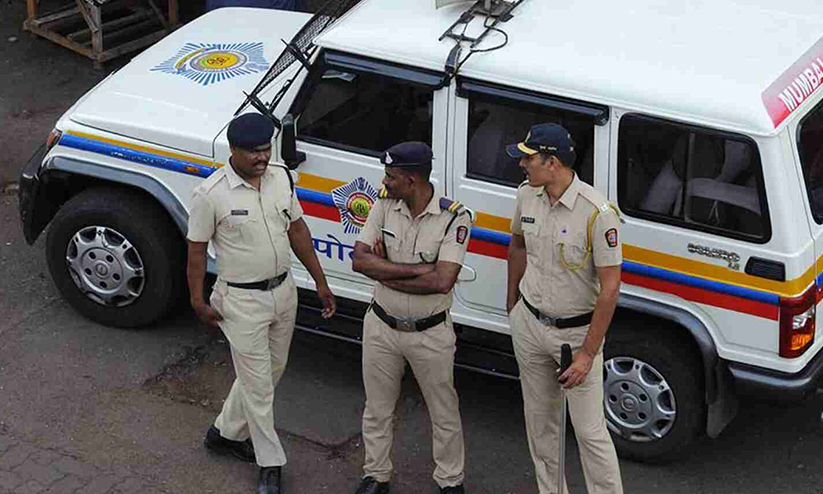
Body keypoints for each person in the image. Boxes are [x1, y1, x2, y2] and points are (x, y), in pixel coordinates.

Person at [186, 112, 336, 494]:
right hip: (241, 301)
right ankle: (270, 462)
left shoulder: (281, 177)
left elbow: (298, 230)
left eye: (266, 148)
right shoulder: (210, 194)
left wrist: (320, 281)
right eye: (253, 151)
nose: (262, 157)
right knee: (258, 387)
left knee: (271, 372)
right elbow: (196, 252)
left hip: (284, 293)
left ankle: (223, 434)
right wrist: (197, 300)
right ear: (233, 150)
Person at [505, 123, 623, 494]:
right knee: (541, 427)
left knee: (590, 433)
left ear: (552, 163)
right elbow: (518, 246)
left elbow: (610, 288)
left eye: (529, 158)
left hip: (576, 337)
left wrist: (588, 354)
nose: (522, 164)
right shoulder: (527, 195)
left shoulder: (597, 213)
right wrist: (512, 305)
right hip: (530, 323)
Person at [350, 142, 472, 494]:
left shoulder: (455, 217)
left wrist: (384, 270)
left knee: (443, 411)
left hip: (430, 333)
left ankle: (450, 481)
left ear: (412, 179)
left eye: (390, 176)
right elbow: (359, 260)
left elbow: (442, 281)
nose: (384, 181)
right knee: (377, 408)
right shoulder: (383, 205)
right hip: (381, 325)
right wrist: (418, 269)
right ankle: (376, 475)